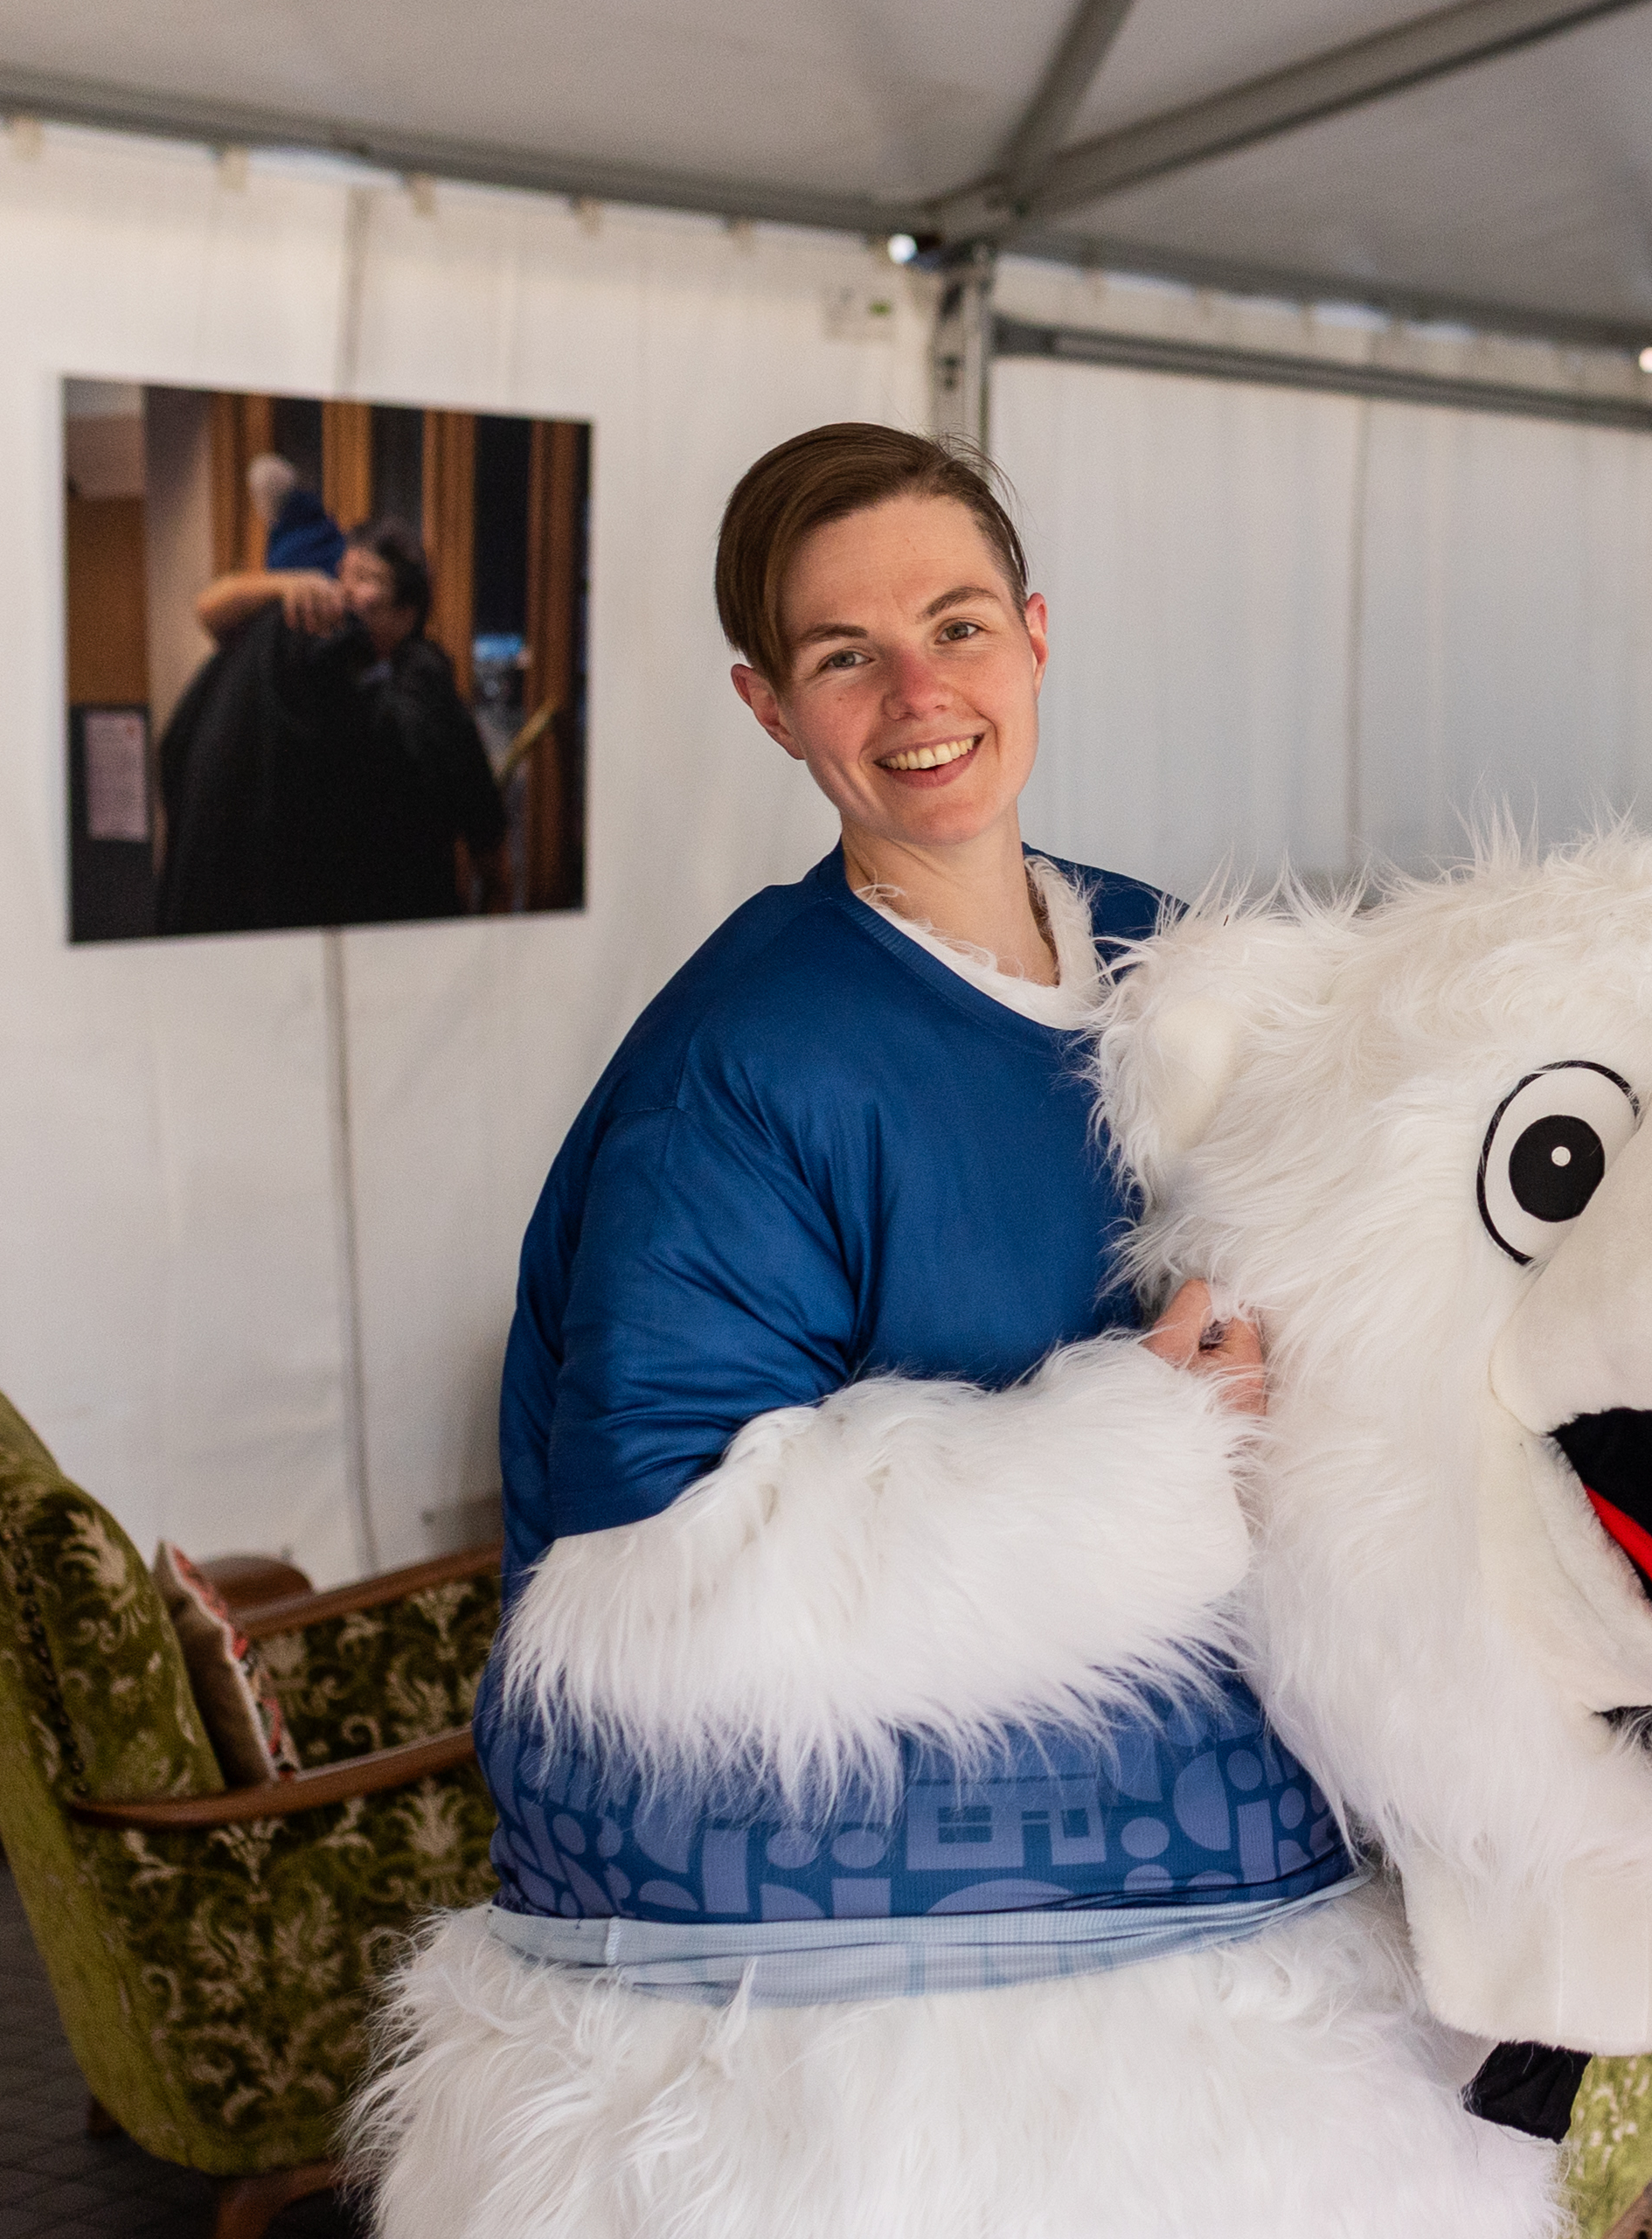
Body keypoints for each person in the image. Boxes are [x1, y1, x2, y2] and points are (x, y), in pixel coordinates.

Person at [478, 423, 1318, 1927]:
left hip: (1224, 1805)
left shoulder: (1180, 964)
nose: (920, 695)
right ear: (770, 708)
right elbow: (665, 1589)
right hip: (866, 1893)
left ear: (1035, 638)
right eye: (846, 657)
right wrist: (1144, 1447)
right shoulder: (744, 1065)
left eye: (957, 627)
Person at [156, 512, 504, 930]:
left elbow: (478, 816)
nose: (345, 591)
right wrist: (291, 583)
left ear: (406, 614)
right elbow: (211, 609)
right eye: (343, 575)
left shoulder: (426, 683)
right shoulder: (318, 663)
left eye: (366, 578)